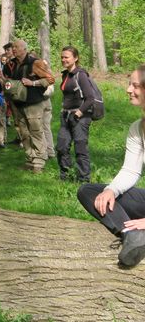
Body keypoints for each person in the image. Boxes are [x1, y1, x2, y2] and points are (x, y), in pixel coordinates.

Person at [77, 65, 145, 267]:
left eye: (135, 85)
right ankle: (132, 235)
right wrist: (111, 190)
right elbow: (131, 170)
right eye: (129, 84)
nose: (128, 89)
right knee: (89, 191)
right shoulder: (137, 128)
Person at [9, 39, 54, 173]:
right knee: (24, 134)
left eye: (16, 47)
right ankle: (30, 160)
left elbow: (50, 79)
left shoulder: (35, 62)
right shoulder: (14, 64)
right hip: (19, 105)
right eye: (13, 47)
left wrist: (33, 83)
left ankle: (39, 162)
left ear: (24, 49)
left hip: (33, 104)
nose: (14, 49)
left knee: (36, 132)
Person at [58, 46, 95, 182]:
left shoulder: (81, 75)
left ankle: (83, 180)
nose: (63, 59)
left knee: (80, 149)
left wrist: (79, 112)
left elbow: (90, 98)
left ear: (75, 58)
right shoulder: (65, 74)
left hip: (80, 118)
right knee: (62, 147)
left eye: (66, 57)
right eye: (62, 57)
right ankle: (65, 177)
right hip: (65, 117)